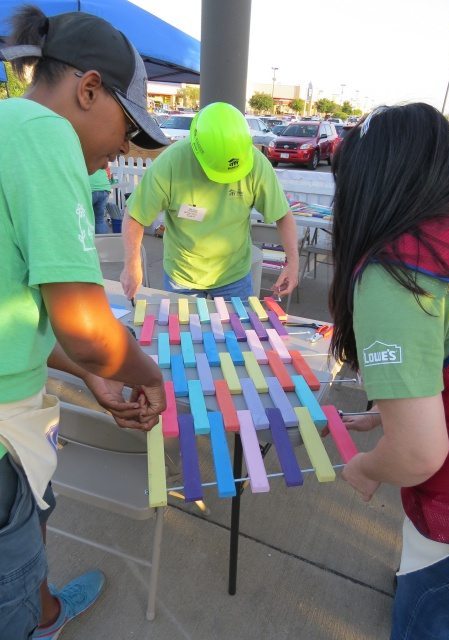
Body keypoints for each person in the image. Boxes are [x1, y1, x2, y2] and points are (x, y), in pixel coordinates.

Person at [0, 6, 170, 639]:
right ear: (88, 88)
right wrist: (145, 373)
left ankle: (45, 614)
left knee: (34, 524)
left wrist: (91, 375)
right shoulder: (44, 135)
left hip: (18, 417)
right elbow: (88, 330)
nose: (116, 158)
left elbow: (18, 319)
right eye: (124, 133)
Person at [328, 102, 449, 639]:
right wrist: (394, 412)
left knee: (422, 623)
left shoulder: (398, 272)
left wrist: (367, 469)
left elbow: (419, 453)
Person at [120, 101, 299, 301]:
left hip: (234, 277)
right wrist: (132, 262)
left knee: (238, 330)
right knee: (181, 330)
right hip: (183, 277)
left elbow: (282, 215)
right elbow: (135, 214)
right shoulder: (171, 163)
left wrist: (293, 262)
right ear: (197, 149)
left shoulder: (256, 164)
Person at [89, 168, 112, 233]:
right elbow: (109, 175)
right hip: (104, 188)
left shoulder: (83, 157)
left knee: (84, 217)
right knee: (99, 219)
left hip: (90, 188)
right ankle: (102, 241)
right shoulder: (100, 158)